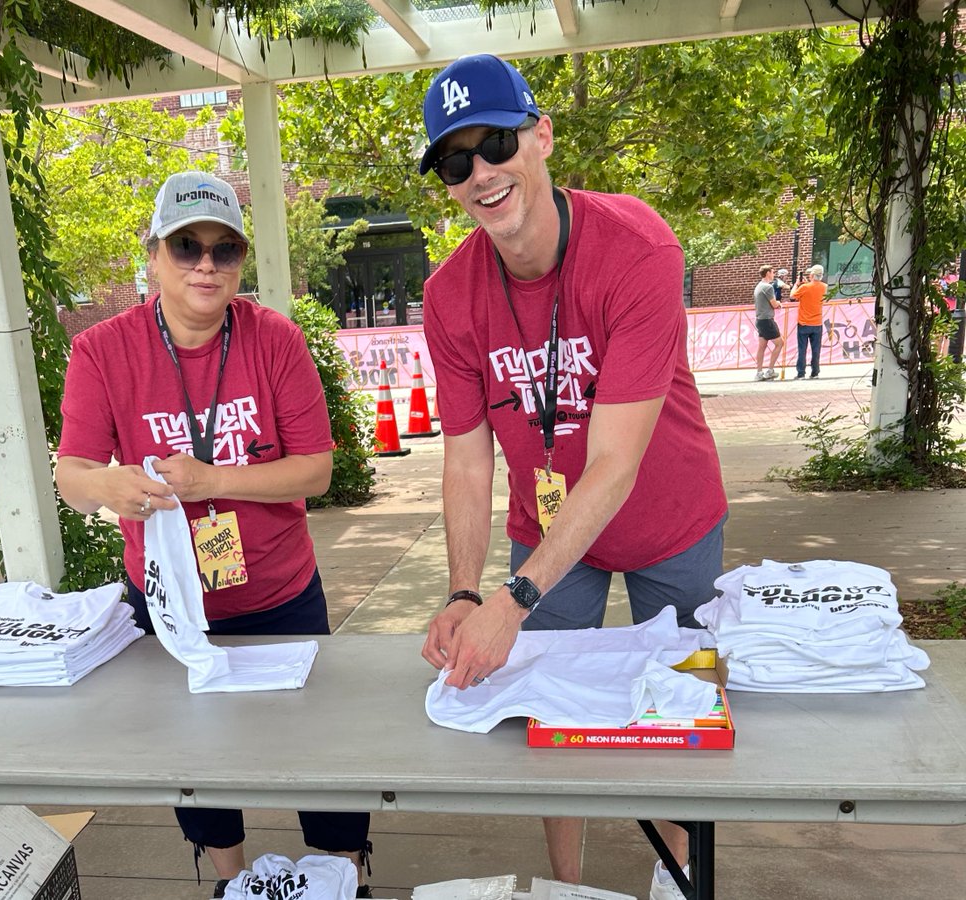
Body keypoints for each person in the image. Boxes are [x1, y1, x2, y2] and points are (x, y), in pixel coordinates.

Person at [415, 55, 728, 900]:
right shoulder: (448, 296)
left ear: (542, 136)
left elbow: (618, 462)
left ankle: (684, 868)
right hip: (550, 533)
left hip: (670, 516)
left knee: (683, 705)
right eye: (455, 161)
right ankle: (568, 886)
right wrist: (462, 593)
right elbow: (468, 455)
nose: (481, 172)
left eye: (496, 143)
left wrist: (512, 601)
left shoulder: (636, 247)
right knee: (548, 714)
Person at [54, 171, 374, 899]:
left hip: (280, 590)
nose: (205, 264)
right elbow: (71, 474)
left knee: (316, 750)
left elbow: (316, 471)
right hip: (170, 604)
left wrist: (212, 480)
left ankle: (340, 875)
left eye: (223, 249)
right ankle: (228, 883)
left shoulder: (276, 339)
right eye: (186, 246)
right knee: (193, 753)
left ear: (241, 261)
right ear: (154, 255)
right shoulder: (103, 351)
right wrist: (109, 487)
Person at [790, 264, 827, 379]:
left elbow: (792, 296)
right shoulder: (824, 287)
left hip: (804, 322)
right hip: (817, 322)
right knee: (816, 349)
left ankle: (801, 373)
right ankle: (815, 372)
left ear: (812, 275)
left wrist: (797, 285)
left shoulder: (804, 287)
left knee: (802, 349)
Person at [754, 265, 783, 381]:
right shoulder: (768, 287)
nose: (774, 275)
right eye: (772, 272)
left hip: (760, 320)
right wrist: (779, 303)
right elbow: (774, 304)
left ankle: (759, 372)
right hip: (767, 319)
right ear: (767, 273)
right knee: (780, 343)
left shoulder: (758, 286)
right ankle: (770, 370)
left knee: (762, 347)